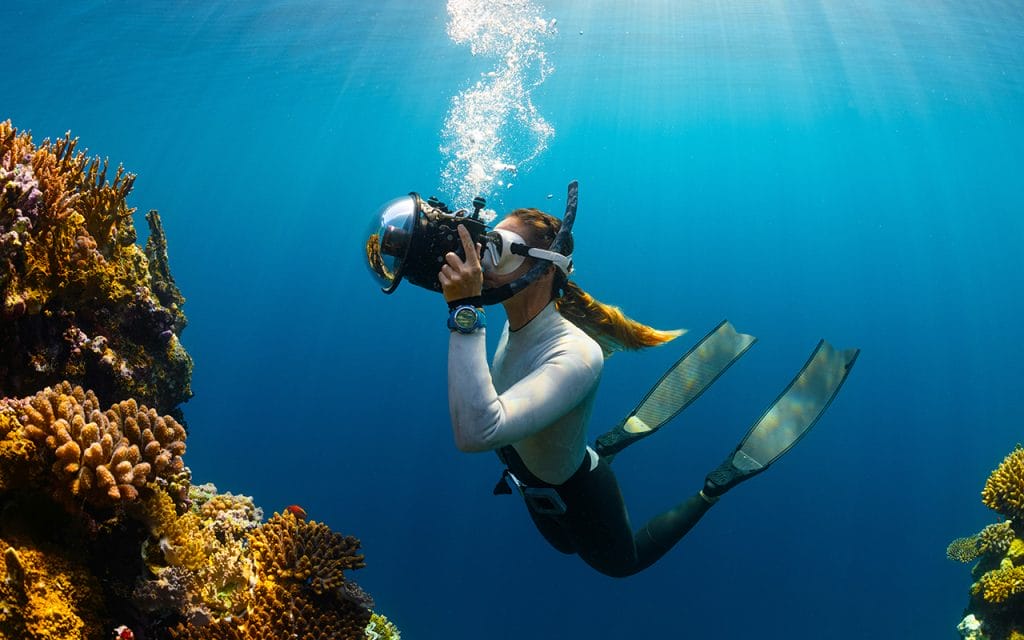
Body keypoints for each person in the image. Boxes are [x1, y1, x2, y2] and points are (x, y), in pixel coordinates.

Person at [438, 207, 857, 578]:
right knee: (564, 546)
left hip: (579, 491)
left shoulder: (576, 355)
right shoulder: (514, 328)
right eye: (484, 243)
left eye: (499, 247)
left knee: (622, 564)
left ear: (545, 268)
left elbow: (478, 430)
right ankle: (604, 443)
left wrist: (464, 312)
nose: (481, 259)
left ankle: (714, 487)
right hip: (531, 478)